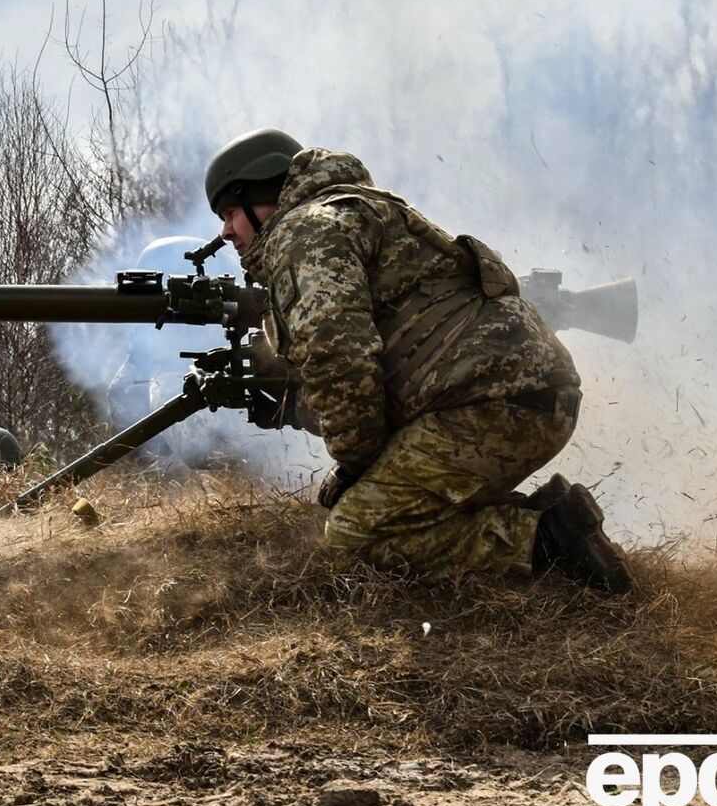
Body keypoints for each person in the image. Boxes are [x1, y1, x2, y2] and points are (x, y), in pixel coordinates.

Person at [207, 128, 633, 592]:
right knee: (380, 504)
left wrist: (355, 467)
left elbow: (342, 362)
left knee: (354, 533)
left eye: (231, 213)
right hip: (514, 394)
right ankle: (554, 517)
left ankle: (547, 542)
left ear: (262, 197)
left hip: (490, 403)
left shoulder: (304, 231)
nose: (227, 231)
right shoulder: (354, 209)